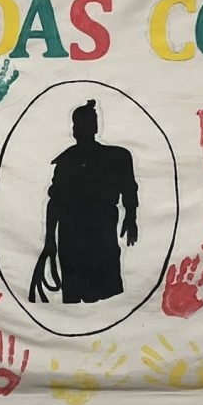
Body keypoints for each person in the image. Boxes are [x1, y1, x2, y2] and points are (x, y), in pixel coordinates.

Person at [29, 99, 139, 304]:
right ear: (74, 129)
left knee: (105, 293)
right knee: (78, 292)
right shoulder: (67, 161)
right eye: (80, 124)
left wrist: (131, 215)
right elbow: (55, 202)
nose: (82, 128)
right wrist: (50, 240)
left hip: (100, 233)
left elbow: (128, 188)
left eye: (88, 123)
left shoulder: (117, 157)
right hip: (72, 236)